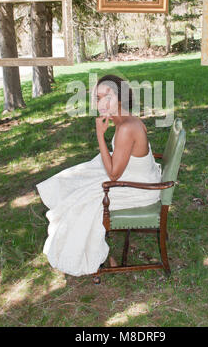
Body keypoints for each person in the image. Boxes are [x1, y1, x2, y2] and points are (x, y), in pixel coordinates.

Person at [35, 74, 162, 276]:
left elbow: (113, 175)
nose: (101, 102)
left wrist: (100, 136)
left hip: (141, 189)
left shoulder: (127, 127)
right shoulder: (124, 119)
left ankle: (92, 255)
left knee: (83, 202)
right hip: (135, 177)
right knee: (77, 178)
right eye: (98, 97)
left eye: (108, 95)